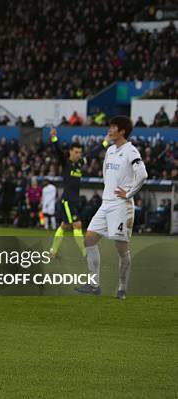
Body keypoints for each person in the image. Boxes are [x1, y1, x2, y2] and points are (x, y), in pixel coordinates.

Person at [75, 116, 147, 300]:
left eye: (113, 127)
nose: (110, 129)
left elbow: (142, 174)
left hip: (121, 206)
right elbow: (106, 175)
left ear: (122, 131)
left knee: (121, 249)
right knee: (89, 239)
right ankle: (94, 285)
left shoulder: (131, 151)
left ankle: (122, 288)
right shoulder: (110, 151)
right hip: (106, 204)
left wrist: (129, 193)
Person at [49, 127, 108, 257]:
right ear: (70, 152)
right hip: (67, 201)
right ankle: (84, 252)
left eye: (80, 152)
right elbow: (58, 151)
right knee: (77, 224)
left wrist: (105, 142)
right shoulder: (66, 163)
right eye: (76, 152)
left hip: (75, 201)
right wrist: (54, 138)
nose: (78, 155)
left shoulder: (80, 164)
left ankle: (53, 251)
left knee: (64, 226)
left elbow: (93, 153)